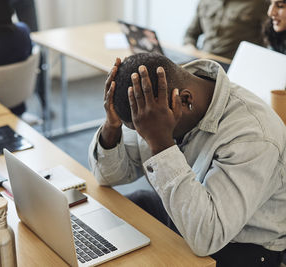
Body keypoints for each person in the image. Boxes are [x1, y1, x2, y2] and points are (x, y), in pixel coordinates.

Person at [88, 53, 286, 266]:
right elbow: (107, 176)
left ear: (185, 100)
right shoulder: (152, 102)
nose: (142, 134)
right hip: (183, 212)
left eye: (142, 129)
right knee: (106, 225)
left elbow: (207, 238)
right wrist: (112, 126)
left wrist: (160, 143)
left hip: (241, 245)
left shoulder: (253, 135)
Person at [183, 0, 268, 59]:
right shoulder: (205, 2)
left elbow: (269, 41)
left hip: (233, 69)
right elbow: (190, 34)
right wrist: (190, 47)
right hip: (203, 62)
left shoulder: (259, 4)